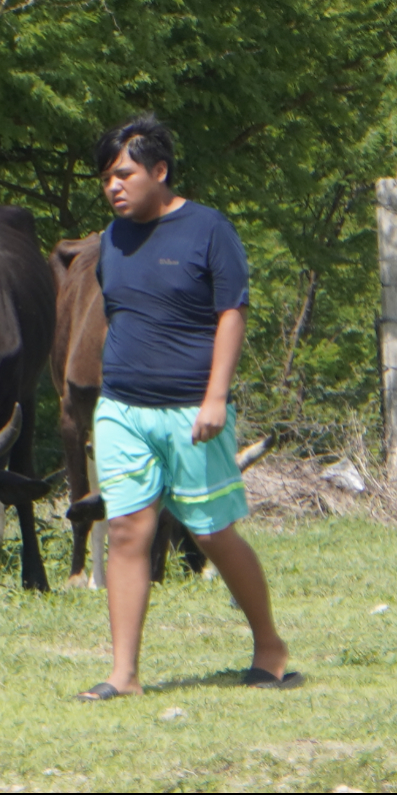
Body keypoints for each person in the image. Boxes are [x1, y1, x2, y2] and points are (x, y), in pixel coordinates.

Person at [75, 114, 301, 700]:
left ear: (160, 170)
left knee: (212, 533)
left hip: (191, 413)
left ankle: (270, 648)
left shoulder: (208, 230)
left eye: (123, 174)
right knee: (126, 530)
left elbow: (232, 312)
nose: (114, 187)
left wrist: (216, 397)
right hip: (122, 408)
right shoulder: (112, 239)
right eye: (106, 178)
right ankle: (123, 675)